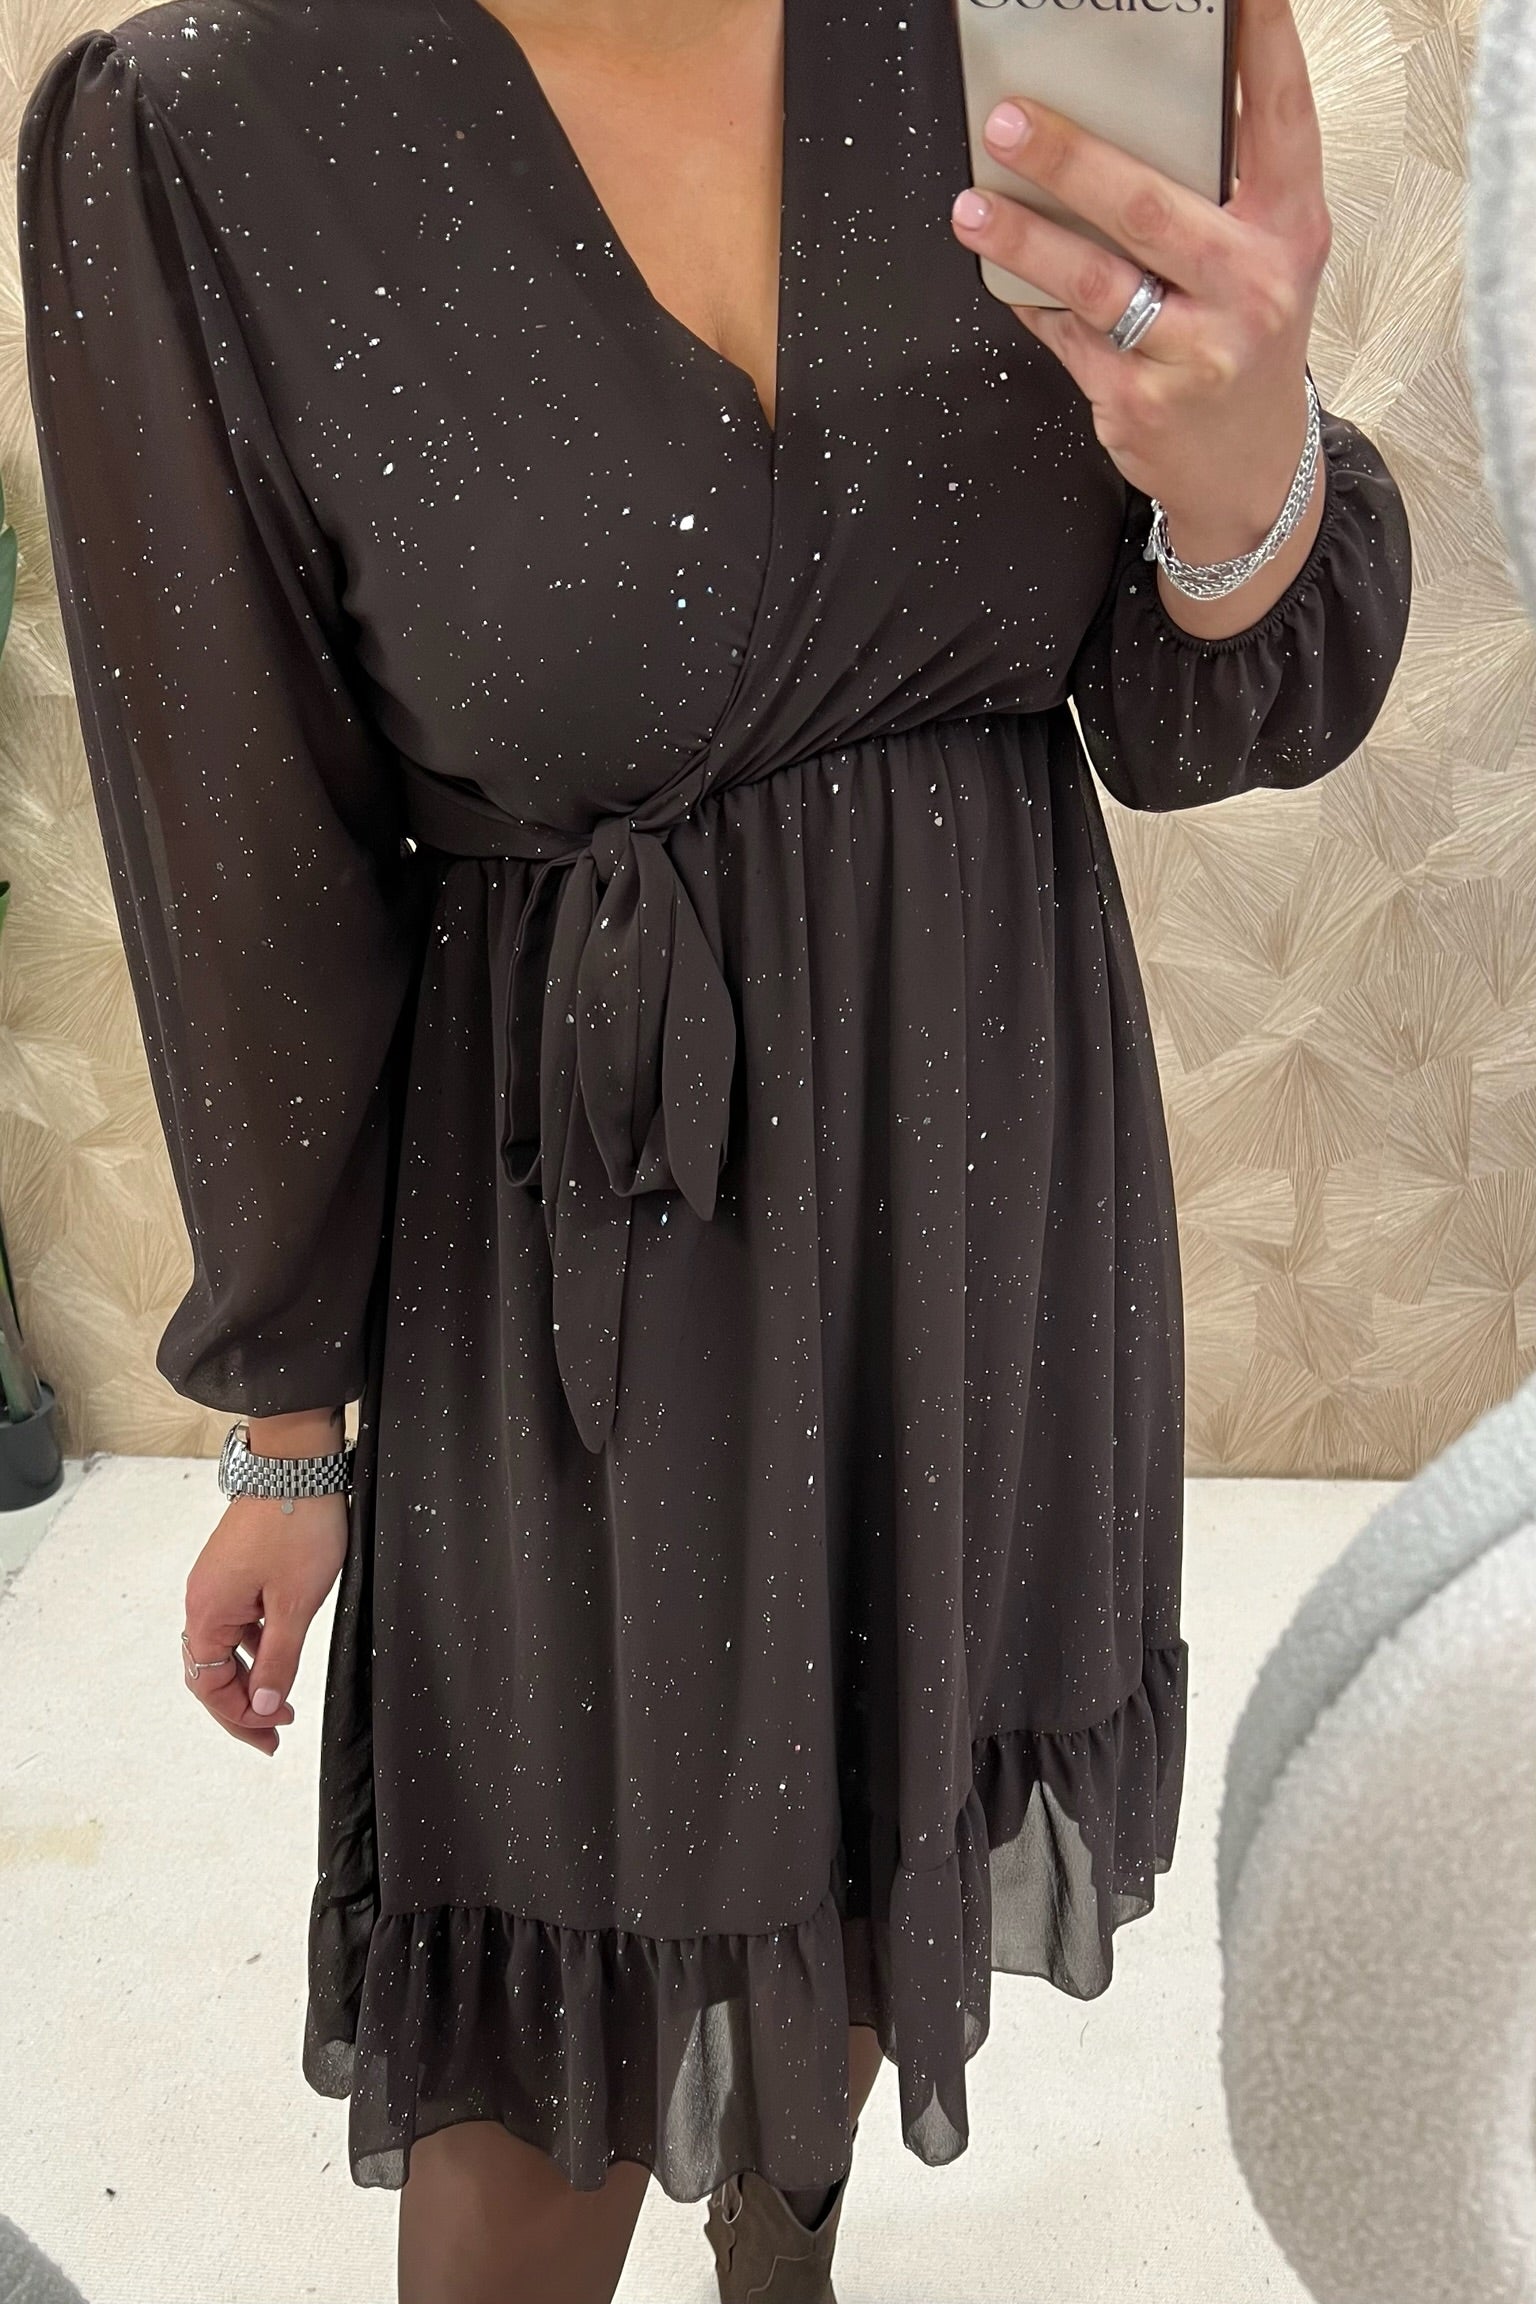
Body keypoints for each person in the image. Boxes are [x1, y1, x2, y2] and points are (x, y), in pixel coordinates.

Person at [16, 0, 1411, 2295]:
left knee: (877, 1820)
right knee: (534, 2009)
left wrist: (1245, 481)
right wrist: (287, 1417)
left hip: (976, 1146)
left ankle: (791, 2246)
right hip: (562, 1218)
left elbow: (1182, 713)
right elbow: (241, 856)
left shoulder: (1033, 17)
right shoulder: (209, 124)